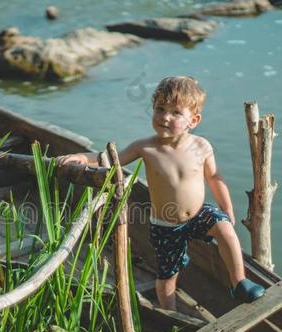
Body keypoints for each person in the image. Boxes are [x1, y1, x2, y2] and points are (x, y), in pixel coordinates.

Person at [57, 76, 265, 310]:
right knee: (168, 276)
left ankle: (239, 282)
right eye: (160, 109)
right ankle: (170, 311)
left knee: (225, 228)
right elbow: (108, 159)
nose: (165, 116)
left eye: (176, 113)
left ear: (193, 121)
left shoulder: (201, 146)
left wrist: (226, 207)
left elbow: (214, 177)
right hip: (166, 225)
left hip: (197, 214)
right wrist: (83, 158)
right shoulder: (145, 147)